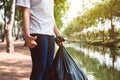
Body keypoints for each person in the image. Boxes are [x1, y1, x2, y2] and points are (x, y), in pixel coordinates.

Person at [16, 0, 64, 80]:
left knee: (49, 70)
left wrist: (58, 35)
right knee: (39, 69)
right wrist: (27, 35)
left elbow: (51, 17)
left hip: (50, 34)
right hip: (37, 32)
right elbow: (26, 11)